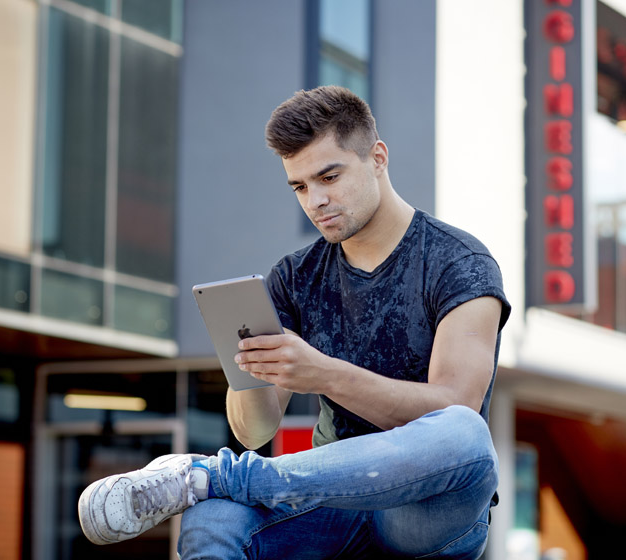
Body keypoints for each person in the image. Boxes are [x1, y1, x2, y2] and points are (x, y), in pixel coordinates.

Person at [78, 85, 511, 559]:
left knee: (463, 433)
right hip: (329, 504)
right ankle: (208, 483)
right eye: (300, 186)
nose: (315, 201)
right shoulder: (295, 277)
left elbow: (455, 408)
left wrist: (323, 374)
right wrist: (248, 367)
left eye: (329, 176)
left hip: (424, 513)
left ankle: (211, 475)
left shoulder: (460, 261)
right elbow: (254, 432)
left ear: (378, 157)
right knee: (213, 515)